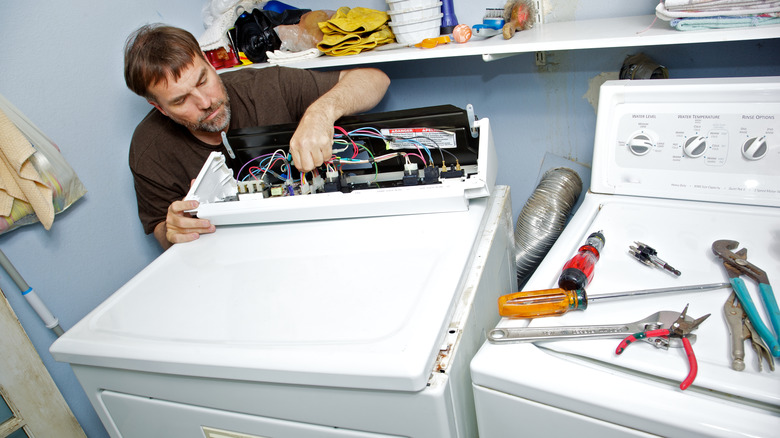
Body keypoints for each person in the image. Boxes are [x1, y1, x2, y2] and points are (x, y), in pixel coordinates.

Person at [124, 24, 390, 250]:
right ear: (159, 108)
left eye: (203, 80)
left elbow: (376, 80)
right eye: (181, 100)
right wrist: (173, 228)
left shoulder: (266, 86)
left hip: (319, 239)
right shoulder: (149, 148)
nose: (205, 102)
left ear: (209, 62)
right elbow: (161, 229)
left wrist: (321, 112)